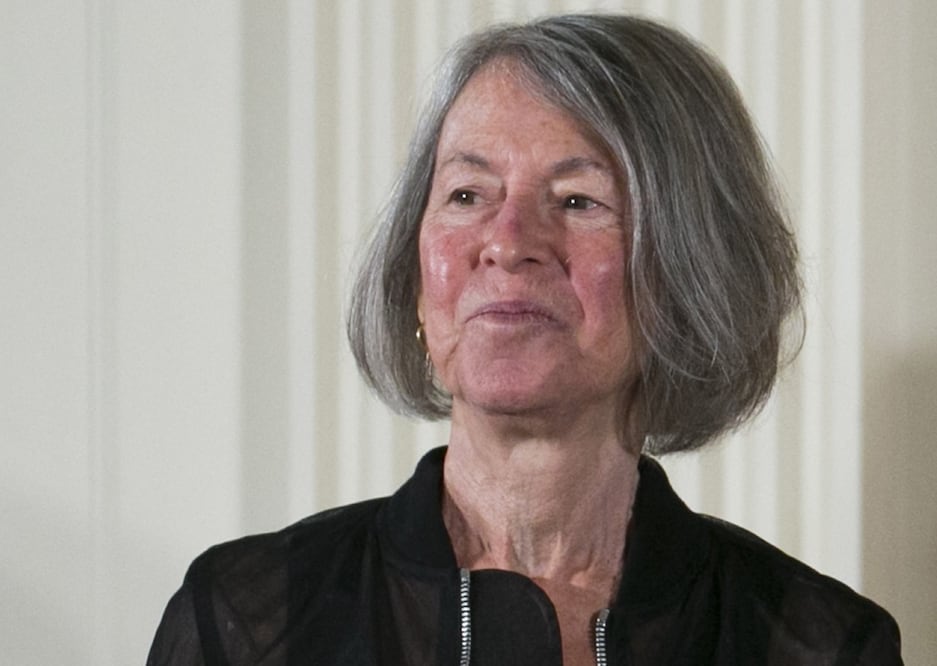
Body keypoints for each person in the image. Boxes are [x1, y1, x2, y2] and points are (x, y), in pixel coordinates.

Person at [148, 13, 901, 665]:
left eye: (577, 200)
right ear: (417, 272)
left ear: (686, 272)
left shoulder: (815, 644)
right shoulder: (249, 621)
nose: (506, 243)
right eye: (467, 194)